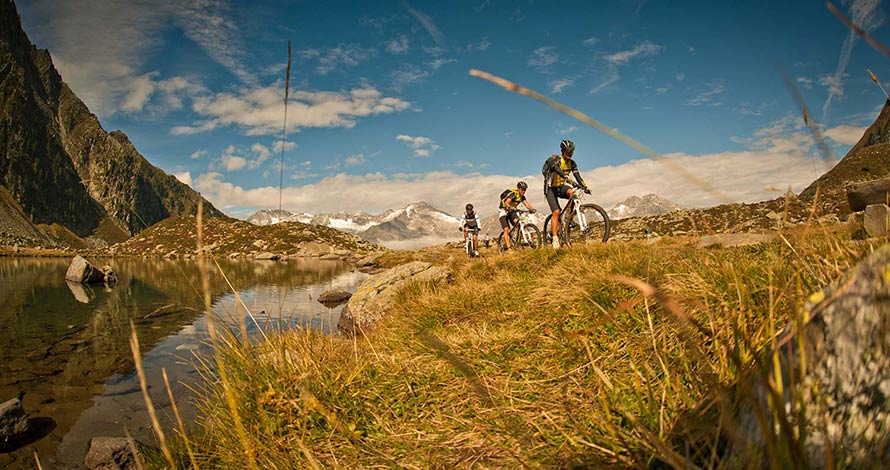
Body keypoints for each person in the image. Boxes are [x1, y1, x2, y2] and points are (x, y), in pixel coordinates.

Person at [542, 139, 590, 249]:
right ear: (563, 151)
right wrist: (566, 177)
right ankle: (554, 238)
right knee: (556, 212)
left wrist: (585, 187)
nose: (570, 154)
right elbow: (556, 169)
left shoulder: (572, 163)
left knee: (572, 193)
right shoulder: (555, 160)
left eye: (571, 152)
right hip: (550, 189)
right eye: (568, 152)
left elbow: (578, 177)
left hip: (561, 187)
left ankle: (569, 217)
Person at [499, 181, 536, 250]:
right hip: (503, 211)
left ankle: (516, 240)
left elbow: (526, 204)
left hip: (512, 211)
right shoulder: (513, 194)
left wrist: (532, 209)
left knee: (518, 224)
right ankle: (509, 248)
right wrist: (510, 207)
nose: (523, 191)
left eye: (525, 189)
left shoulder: (522, 197)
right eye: (522, 189)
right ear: (518, 188)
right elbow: (507, 202)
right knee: (506, 229)